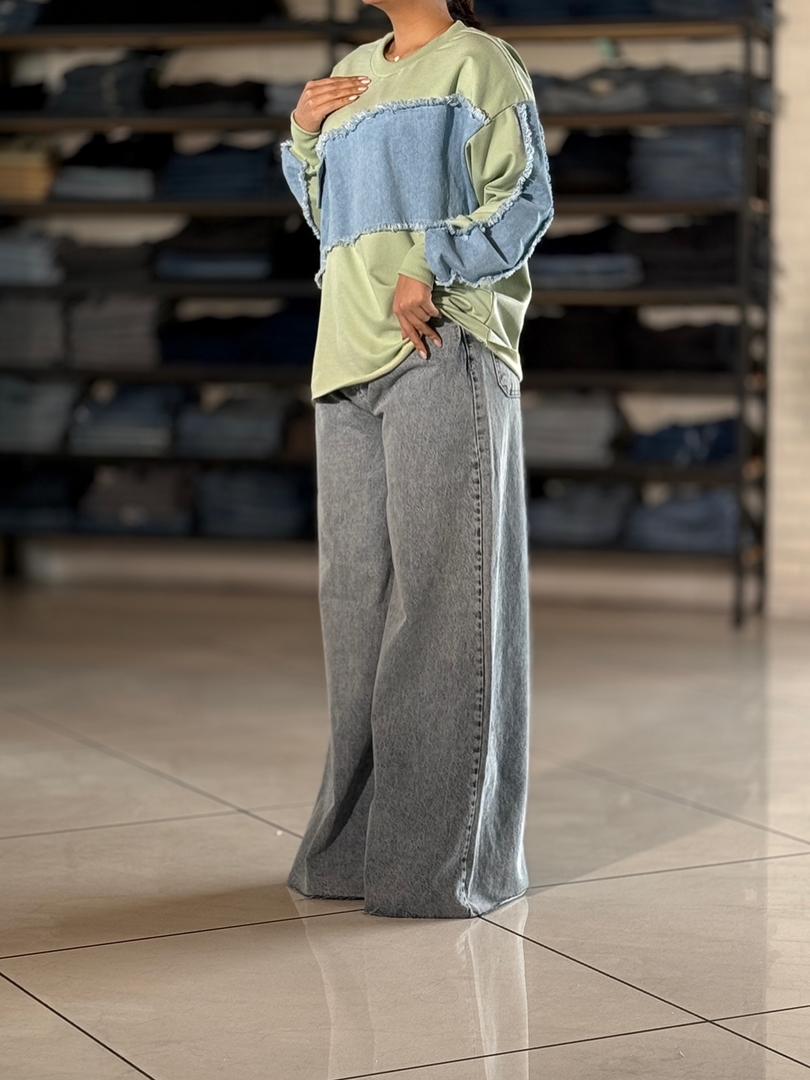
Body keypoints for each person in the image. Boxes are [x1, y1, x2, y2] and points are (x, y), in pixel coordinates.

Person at [279, 0, 554, 919]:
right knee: (355, 606)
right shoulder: (351, 69)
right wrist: (304, 135)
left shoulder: (481, 62)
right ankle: (354, 855)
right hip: (344, 359)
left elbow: (524, 199)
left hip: (439, 344)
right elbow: (334, 223)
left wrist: (430, 263)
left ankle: (438, 869)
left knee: (446, 606)